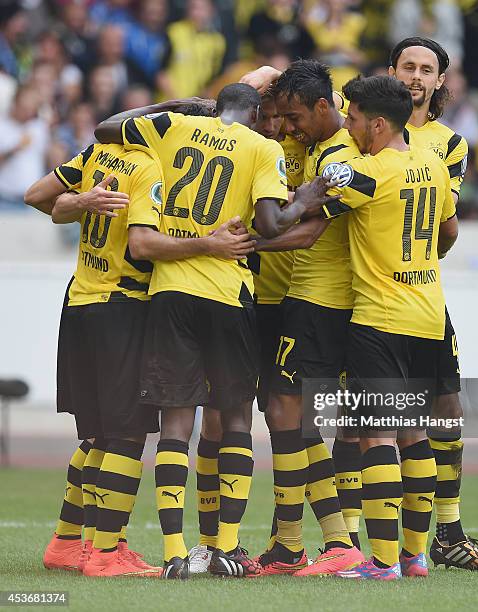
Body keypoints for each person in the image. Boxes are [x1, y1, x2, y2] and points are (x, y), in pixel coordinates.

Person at [95, 82, 333, 578]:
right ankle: (225, 547)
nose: (271, 127)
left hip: (170, 293)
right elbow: (269, 224)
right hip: (227, 294)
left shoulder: (171, 127)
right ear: (251, 115)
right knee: (236, 420)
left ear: (214, 108)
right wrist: (305, 198)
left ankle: (175, 552)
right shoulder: (261, 147)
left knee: (175, 424)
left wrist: (173, 106)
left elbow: (105, 129)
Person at [25, 99, 254, 578]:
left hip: (82, 300)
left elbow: (38, 196)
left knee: (97, 432)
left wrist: (82, 202)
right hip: (124, 306)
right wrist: (210, 243)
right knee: (127, 432)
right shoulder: (152, 166)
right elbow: (143, 245)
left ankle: (69, 542)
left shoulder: (97, 154)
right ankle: (106, 552)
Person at [322, 74, 457, 580]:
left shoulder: (369, 172)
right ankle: (414, 557)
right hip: (428, 314)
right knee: (414, 433)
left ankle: (380, 562)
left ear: (377, 124)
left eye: (353, 119)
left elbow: (313, 204)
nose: (348, 126)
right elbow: (449, 230)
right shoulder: (435, 165)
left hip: (378, 317)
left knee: (375, 437)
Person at [388, 36, 478, 572]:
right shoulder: (360, 129)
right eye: (408, 66)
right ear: (391, 72)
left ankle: (448, 530)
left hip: (421, 296)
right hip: (361, 297)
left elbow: (441, 231)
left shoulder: (450, 145)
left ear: (440, 81)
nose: (416, 76)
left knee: (446, 408)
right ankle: (341, 536)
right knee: (357, 415)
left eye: (426, 69)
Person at [245, 60, 364, 577]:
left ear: (323, 107)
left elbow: (312, 233)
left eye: (291, 116)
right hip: (296, 298)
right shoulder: (307, 146)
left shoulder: (339, 156)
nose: (284, 126)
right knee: (284, 418)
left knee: (292, 417)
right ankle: (292, 543)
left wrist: (237, 244)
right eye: (277, 115)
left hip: (321, 301)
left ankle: (331, 543)